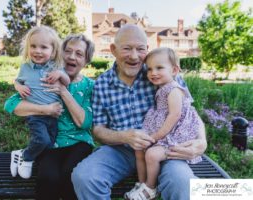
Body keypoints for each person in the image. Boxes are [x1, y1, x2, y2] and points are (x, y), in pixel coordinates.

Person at [71, 24, 207, 200]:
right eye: (127, 48)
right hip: (121, 151)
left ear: (147, 49)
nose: (134, 56)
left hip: (165, 148)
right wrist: (125, 136)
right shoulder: (102, 84)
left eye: (140, 49)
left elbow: (189, 112)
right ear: (113, 50)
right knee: (85, 177)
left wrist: (201, 141)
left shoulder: (161, 73)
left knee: (184, 185)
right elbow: (98, 130)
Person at [4, 33, 95, 200]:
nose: (71, 57)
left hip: (79, 142)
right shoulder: (43, 77)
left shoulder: (89, 85)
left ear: (86, 61)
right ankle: (24, 154)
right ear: (59, 52)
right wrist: (45, 109)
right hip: (52, 141)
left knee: (70, 175)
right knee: (47, 178)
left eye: (79, 54)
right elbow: (13, 106)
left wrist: (62, 90)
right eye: (67, 51)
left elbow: (84, 122)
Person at [125, 47, 203, 200]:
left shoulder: (174, 90)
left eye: (159, 68)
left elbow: (174, 116)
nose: (153, 73)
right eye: (149, 69)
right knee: (139, 149)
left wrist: (156, 136)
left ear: (174, 70)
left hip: (174, 136)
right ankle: (141, 184)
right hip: (162, 133)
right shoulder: (163, 87)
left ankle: (150, 189)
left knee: (152, 155)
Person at [8, 26, 70, 179]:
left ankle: (20, 153)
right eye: (33, 46)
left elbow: (67, 82)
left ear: (53, 51)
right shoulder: (26, 67)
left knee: (49, 143)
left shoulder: (56, 67)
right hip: (35, 115)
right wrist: (19, 87)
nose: (38, 51)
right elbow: (17, 81)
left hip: (54, 116)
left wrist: (60, 74)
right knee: (41, 140)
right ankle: (27, 158)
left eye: (44, 47)